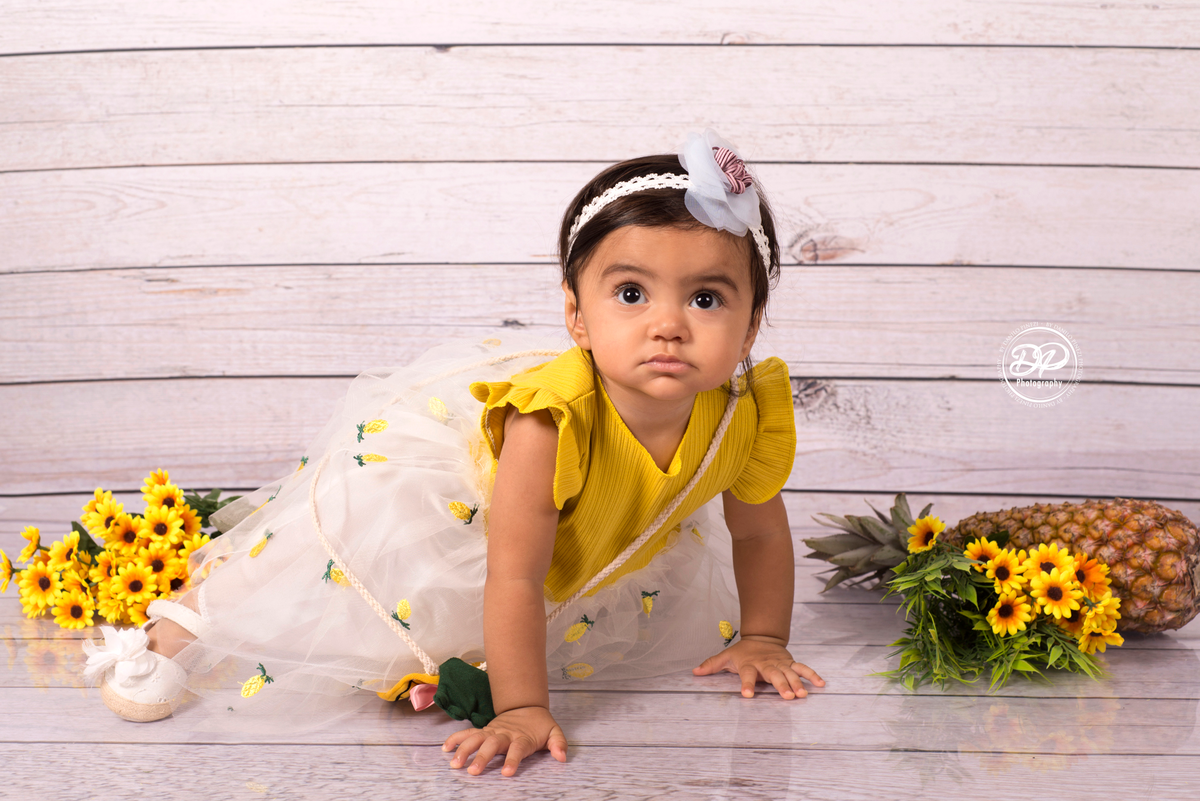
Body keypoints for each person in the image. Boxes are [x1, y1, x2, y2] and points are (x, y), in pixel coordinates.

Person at [82, 129, 824, 776]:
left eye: (705, 299)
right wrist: (524, 706)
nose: (668, 324)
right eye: (631, 294)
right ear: (577, 314)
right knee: (331, 574)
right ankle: (184, 624)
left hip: (594, 548)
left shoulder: (744, 415)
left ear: (752, 323)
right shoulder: (549, 423)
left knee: (433, 649)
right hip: (460, 514)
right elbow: (513, 572)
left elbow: (757, 530)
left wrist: (763, 635)